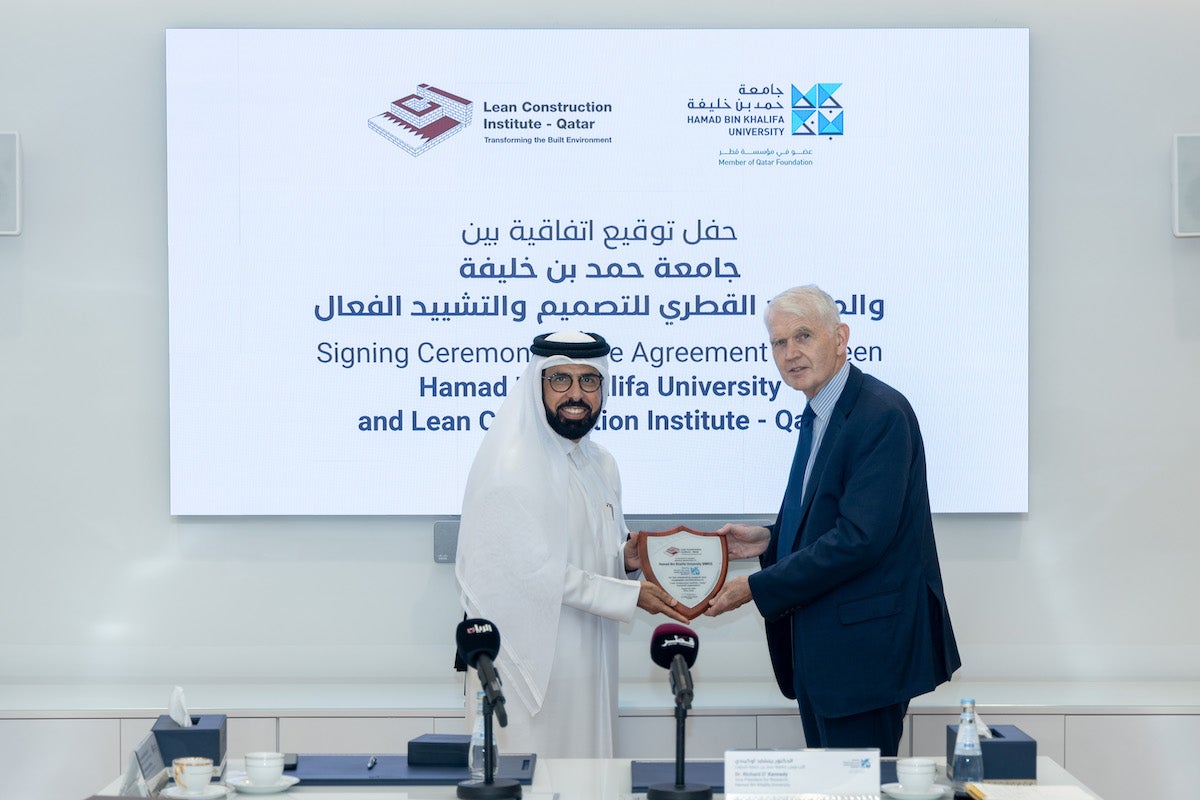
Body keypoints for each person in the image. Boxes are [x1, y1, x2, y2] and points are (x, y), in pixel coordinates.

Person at [705, 285, 961, 756]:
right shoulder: (820, 410)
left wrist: (756, 587)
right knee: (831, 784)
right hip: (825, 655)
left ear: (840, 337)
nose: (790, 353)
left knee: (853, 786)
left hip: (864, 658)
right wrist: (769, 540)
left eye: (803, 336)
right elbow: (827, 520)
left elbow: (860, 538)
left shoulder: (879, 414)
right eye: (779, 343)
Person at [455, 330, 687, 758]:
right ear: (538, 385)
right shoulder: (511, 467)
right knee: (536, 774)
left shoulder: (600, 463)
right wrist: (630, 595)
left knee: (592, 774)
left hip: (592, 660)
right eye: (561, 379)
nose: (576, 394)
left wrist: (626, 559)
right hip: (531, 670)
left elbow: (592, 554)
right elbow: (531, 571)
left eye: (589, 380)